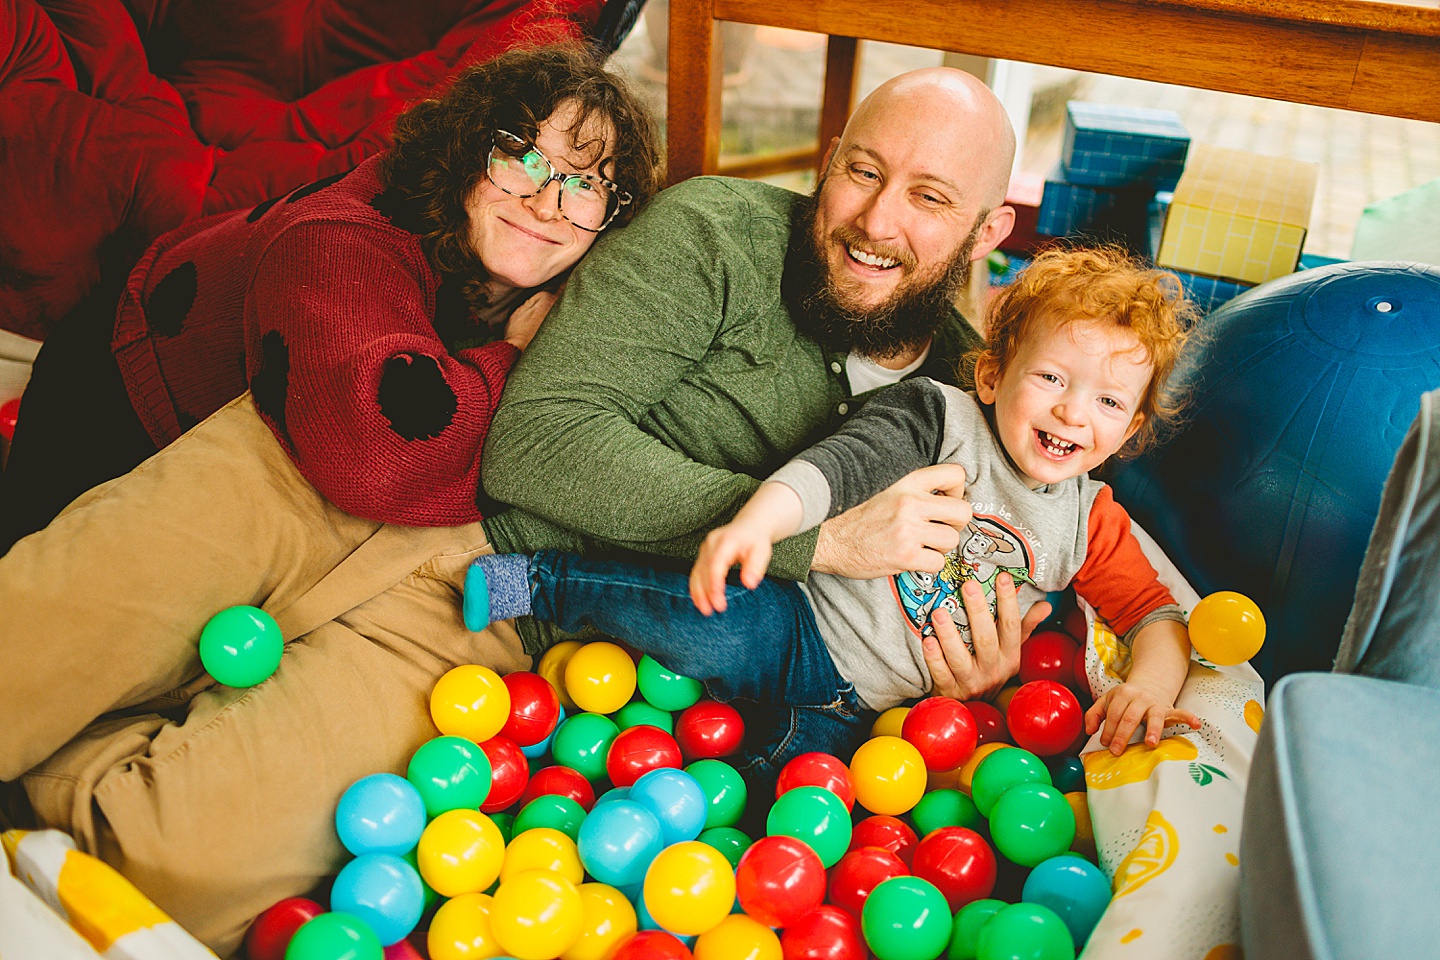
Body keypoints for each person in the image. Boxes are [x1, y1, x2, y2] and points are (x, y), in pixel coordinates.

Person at [0, 66, 1033, 951]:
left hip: (502, 608)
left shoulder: (967, 392)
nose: (876, 220)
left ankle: (88, 735)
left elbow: (989, 564)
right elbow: (541, 443)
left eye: (931, 198)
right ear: (830, 157)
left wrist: (975, 663)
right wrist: (810, 537)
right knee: (15, 655)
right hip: (318, 471)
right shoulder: (720, 230)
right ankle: (86, 693)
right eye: (862, 172)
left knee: (158, 864)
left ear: (991, 229)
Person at [466, 246, 1204, 775]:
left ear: (1130, 430)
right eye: (1050, 377)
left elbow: (1155, 615)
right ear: (990, 373)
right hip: (802, 620)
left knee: (796, 791)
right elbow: (837, 466)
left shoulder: (1088, 522)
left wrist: (1148, 686)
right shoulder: (939, 421)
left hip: (868, 711)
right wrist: (762, 521)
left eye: (1108, 402)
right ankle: (537, 583)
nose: (1074, 412)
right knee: (710, 628)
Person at [0, 44, 662, 549]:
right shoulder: (343, 243)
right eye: (523, 157)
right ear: (464, 153)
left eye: (586, 184)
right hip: (116, 393)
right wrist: (513, 358)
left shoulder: (552, 266)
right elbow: (376, 460)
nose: (547, 203)